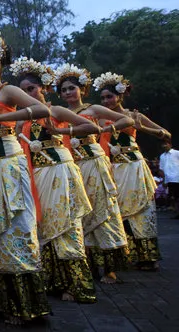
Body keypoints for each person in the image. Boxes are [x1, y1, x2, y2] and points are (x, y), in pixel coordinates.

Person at [0, 32, 51, 326]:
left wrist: (6, 120)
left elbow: (42, 109)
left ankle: (24, 305)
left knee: (16, 226)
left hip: (9, 165)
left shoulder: (8, 91)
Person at [10, 57, 97, 303]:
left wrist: (61, 131)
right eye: (23, 91)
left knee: (66, 225)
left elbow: (91, 128)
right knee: (45, 227)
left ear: (43, 88)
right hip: (35, 174)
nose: (28, 94)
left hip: (59, 169)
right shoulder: (22, 118)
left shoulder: (55, 111)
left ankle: (78, 285)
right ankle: (53, 281)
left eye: (31, 89)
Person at [53, 64, 133, 284]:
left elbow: (127, 120)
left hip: (94, 162)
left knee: (101, 210)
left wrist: (104, 130)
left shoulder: (93, 110)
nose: (68, 93)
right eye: (64, 90)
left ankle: (109, 269)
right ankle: (87, 264)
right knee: (81, 212)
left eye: (72, 88)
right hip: (72, 165)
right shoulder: (60, 114)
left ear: (82, 90)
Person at [96, 72, 167, 270]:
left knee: (142, 209)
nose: (106, 101)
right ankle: (125, 255)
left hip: (134, 166)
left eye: (109, 96)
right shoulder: (100, 119)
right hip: (112, 168)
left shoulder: (134, 115)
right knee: (117, 210)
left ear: (120, 96)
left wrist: (142, 127)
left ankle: (148, 257)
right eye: (102, 98)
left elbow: (165, 134)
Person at [160, 140, 179, 216]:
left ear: (170, 145)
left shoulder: (177, 153)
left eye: (166, 144)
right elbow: (162, 169)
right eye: (163, 144)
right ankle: (177, 213)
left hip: (177, 178)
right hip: (169, 179)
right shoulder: (162, 156)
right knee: (174, 197)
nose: (164, 146)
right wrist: (164, 181)